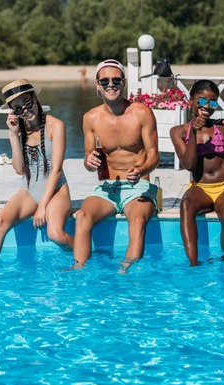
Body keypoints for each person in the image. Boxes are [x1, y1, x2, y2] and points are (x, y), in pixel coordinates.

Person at [0, 79, 73, 273]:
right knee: (0, 222)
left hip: (56, 189)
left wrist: (42, 206)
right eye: (18, 109)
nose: (25, 110)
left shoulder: (55, 125)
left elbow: (56, 169)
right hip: (29, 189)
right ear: (12, 112)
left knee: (56, 234)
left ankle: (82, 254)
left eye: (27, 102)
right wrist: (13, 136)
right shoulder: (21, 130)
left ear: (35, 98)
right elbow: (18, 169)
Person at [71, 59, 159, 272]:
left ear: (124, 83)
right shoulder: (90, 118)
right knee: (82, 216)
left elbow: (154, 156)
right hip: (107, 188)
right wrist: (89, 162)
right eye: (105, 81)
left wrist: (141, 170)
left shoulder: (141, 113)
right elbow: (88, 160)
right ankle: (79, 267)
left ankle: (126, 268)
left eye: (116, 80)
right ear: (97, 85)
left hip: (138, 186)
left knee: (137, 220)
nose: (111, 85)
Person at [170, 80, 224, 266]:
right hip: (202, 187)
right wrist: (194, 133)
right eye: (201, 101)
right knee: (186, 204)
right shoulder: (178, 132)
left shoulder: (222, 126)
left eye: (213, 102)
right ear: (191, 101)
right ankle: (193, 264)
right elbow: (190, 164)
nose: (207, 106)